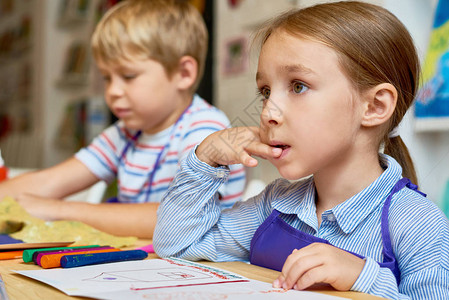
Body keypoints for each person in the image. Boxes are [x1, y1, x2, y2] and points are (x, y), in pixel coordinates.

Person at [153, 2, 449, 299]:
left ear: (374, 106)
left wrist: (363, 277)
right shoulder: (273, 204)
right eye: (266, 91)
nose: (269, 111)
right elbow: (177, 246)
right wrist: (205, 160)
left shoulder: (418, 223)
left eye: (298, 86)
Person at [0, 0, 245, 239]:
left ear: (184, 73)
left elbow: (178, 219)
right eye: (107, 77)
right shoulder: (125, 133)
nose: (113, 91)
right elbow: (49, 181)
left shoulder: (206, 129)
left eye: (128, 76)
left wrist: (61, 210)